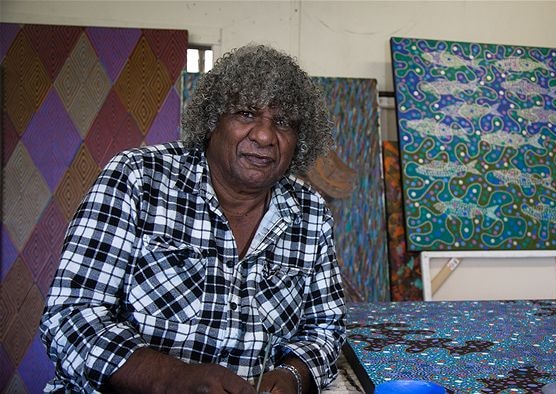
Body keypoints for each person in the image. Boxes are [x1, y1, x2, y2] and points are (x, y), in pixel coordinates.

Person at [40, 44, 346, 394]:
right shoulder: (138, 178)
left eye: (282, 122)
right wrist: (173, 379)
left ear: (299, 140)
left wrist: (294, 375)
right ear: (212, 120)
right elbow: (71, 316)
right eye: (246, 113)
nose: (264, 135)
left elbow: (326, 328)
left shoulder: (310, 212)